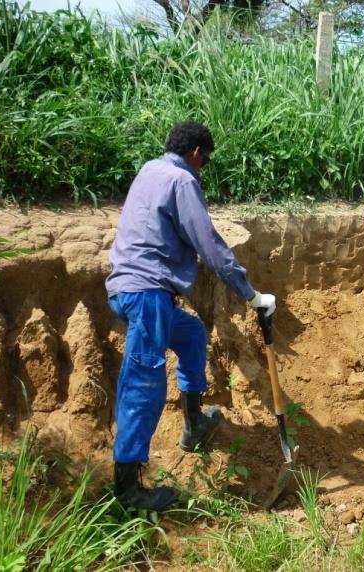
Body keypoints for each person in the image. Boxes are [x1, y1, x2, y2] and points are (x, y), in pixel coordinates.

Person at [105, 120, 276, 512]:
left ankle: (194, 422)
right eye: (206, 161)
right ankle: (127, 489)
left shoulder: (149, 169)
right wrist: (251, 296)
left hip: (126, 288)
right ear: (196, 153)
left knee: (192, 333)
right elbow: (211, 246)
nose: (204, 167)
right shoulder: (182, 181)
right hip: (147, 293)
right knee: (144, 385)